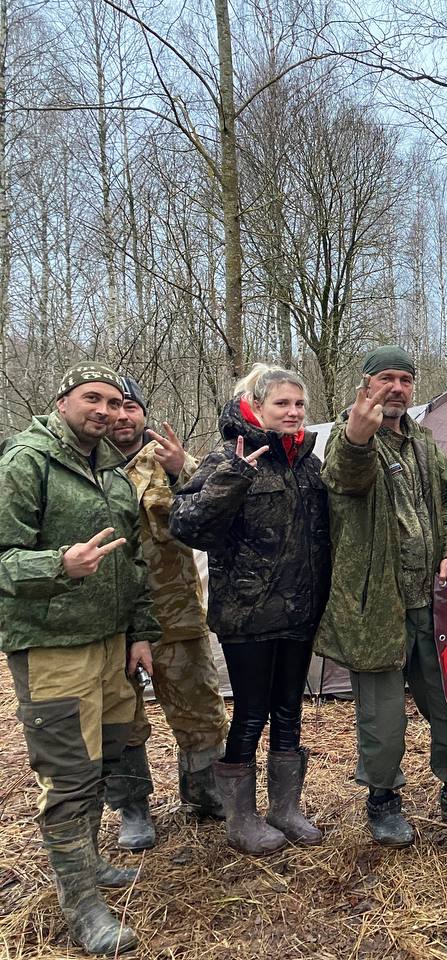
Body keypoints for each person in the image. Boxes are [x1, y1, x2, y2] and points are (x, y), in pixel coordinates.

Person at [0, 362, 159, 953]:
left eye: (116, 402)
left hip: (111, 646)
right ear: (62, 399)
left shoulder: (113, 474)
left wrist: (141, 630)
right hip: (52, 648)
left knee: (105, 759)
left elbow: (135, 560)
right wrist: (56, 566)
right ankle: (83, 906)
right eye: (93, 398)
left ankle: (87, 864)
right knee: (68, 777)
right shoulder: (27, 462)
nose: (107, 411)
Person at [170, 364, 329, 856]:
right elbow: (189, 527)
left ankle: (285, 809)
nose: (293, 412)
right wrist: (235, 478)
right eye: (282, 403)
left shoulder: (308, 461)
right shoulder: (228, 457)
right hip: (249, 612)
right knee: (252, 711)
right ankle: (240, 817)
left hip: (300, 609)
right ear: (257, 406)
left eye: (299, 404)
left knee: (289, 710)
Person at [314, 346, 447, 846]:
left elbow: (442, 502)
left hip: (429, 600)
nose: (396, 388)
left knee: (445, 702)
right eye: (385, 379)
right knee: (384, 715)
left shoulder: (422, 440)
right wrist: (358, 436)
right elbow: (343, 478)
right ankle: (382, 798)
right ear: (365, 384)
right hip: (378, 603)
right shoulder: (347, 434)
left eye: (405, 379)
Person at [103, 376, 230, 851]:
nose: (122, 415)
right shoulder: (83, 468)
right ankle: (133, 808)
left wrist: (182, 470)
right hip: (110, 620)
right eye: (113, 406)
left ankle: (204, 794)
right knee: (121, 718)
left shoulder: (166, 461)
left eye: (130, 406)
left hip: (175, 613)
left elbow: (214, 505)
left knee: (199, 709)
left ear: (142, 414)